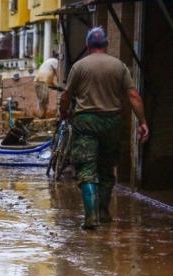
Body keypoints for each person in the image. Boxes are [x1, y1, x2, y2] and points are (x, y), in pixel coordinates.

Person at [60, 27, 149, 229]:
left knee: (86, 168)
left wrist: (63, 112)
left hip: (86, 122)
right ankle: (103, 212)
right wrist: (143, 122)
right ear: (107, 44)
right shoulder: (119, 66)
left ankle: (91, 217)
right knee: (107, 169)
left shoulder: (79, 66)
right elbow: (133, 96)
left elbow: (66, 96)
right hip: (112, 122)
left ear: (88, 45)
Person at [34, 51, 59, 118]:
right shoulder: (55, 61)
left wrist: (56, 86)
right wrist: (60, 81)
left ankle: (42, 116)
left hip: (39, 81)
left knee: (44, 100)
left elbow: (50, 80)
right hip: (41, 81)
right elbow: (58, 73)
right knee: (43, 100)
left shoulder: (48, 62)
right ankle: (42, 116)